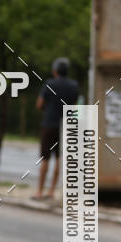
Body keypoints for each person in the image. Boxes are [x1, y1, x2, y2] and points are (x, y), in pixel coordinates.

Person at [33, 57, 79, 200]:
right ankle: (52, 191)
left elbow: (39, 104)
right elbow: (75, 106)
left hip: (49, 124)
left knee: (45, 158)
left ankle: (40, 191)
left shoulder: (49, 84)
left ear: (55, 71)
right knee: (59, 158)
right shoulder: (74, 85)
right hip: (65, 126)